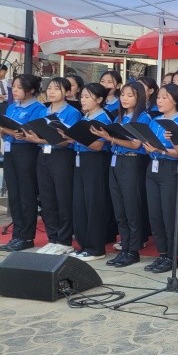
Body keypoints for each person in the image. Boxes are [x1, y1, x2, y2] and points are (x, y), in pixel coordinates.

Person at [91, 82, 151, 268]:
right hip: (116, 161)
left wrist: (110, 138)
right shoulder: (120, 117)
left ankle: (133, 249)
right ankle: (124, 247)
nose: (124, 98)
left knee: (131, 207)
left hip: (132, 162)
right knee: (119, 208)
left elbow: (135, 145)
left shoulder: (143, 117)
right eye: (123, 94)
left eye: (130, 95)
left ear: (139, 97)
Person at [25, 78, 80, 256]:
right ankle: (53, 238)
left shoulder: (72, 112)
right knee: (47, 198)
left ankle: (65, 240)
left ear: (67, 92)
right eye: (49, 88)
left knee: (62, 198)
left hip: (62, 156)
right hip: (43, 155)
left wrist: (39, 139)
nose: (52, 92)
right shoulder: (44, 110)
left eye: (57, 89)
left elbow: (66, 140)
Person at [140, 83, 178, 274]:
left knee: (169, 215)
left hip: (170, 168)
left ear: (175, 100)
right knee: (155, 214)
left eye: (164, 97)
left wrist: (160, 149)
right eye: (158, 97)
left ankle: (172, 257)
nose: (159, 101)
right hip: (153, 167)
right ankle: (162, 253)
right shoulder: (155, 120)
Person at [65, 83, 113, 261]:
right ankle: (84, 245)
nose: (83, 100)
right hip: (80, 160)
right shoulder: (85, 116)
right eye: (82, 96)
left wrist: (76, 137)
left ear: (99, 100)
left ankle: (96, 247)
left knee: (94, 204)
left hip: (95, 162)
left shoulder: (102, 118)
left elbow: (99, 145)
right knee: (80, 203)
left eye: (87, 97)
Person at [0, 74, 46, 252]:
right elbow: (5, 129)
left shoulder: (38, 108)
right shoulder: (11, 107)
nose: (15, 91)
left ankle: (26, 236)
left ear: (31, 90)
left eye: (19, 88)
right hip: (11, 150)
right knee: (14, 194)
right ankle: (16, 234)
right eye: (14, 87)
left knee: (27, 194)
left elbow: (38, 134)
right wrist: (6, 131)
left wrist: (18, 133)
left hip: (27, 152)